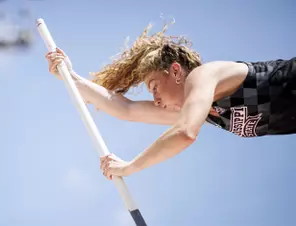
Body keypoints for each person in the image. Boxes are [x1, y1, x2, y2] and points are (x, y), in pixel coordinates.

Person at [45, 22, 296, 180]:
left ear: (175, 71)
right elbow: (127, 109)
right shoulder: (207, 111)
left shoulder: (205, 76)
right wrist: (71, 77)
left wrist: (130, 167)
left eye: (154, 86)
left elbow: (185, 133)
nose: (154, 98)